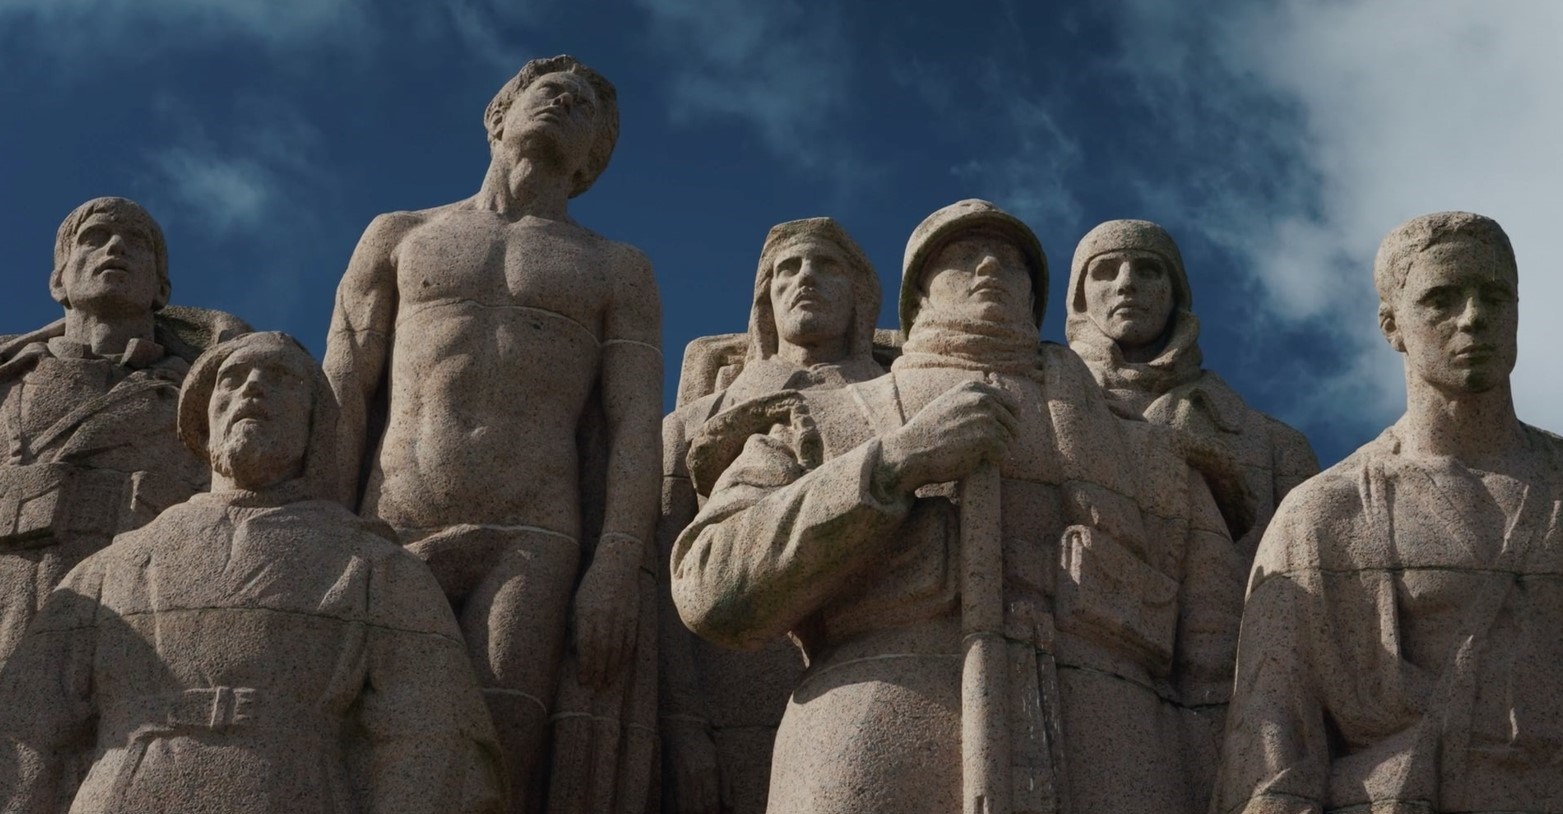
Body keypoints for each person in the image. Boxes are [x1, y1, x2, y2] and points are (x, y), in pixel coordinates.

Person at [672, 200, 1243, 814]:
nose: (990, 265)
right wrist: (892, 463)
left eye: (1015, 262)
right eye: (961, 255)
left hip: (1123, 765)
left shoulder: (1151, 454)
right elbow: (709, 582)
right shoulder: (829, 417)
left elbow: (1221, 675)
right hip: (869, 753)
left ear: (1035, 298)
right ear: (918, 297)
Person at [324, 55, 661, 811]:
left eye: (584, 111)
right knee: (359, 742)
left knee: (499, 762)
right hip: (391, 519)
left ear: (592, 161)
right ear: (497, 115)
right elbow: (343, 389)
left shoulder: (615, 268)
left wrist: (612, 569)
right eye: (551, 93)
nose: (564, 106)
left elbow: (635, 427)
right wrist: (319, 527)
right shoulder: (401, 234)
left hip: (532, 536)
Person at [0, 332, 503, 813]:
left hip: (291, 789)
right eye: (232, 378)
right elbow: (23, 734)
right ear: (203, 419)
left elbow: (437, 740)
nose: (253, 387)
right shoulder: (108, 570)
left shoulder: (378, 567)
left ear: (314, 424)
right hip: (122, 791)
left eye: (281, 377)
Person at [1214, 212, 1563, 813]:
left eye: (1495, 295)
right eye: (1441, 299)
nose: (1473, 317)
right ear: (1392, 325)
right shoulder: (1325, 513)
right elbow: (1271, 753)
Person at [658, 217, 883, 814]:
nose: (805, 278)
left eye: (826, 265)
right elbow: (654, 576)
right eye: (788, 268)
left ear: (860, 293)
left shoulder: (903, 401)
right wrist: (682, 719)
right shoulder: (686, 425)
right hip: (725, 679)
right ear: (766, 297)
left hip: (873, 675)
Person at [0, 196, 245, 670]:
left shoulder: (205, 398)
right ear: (58, 279)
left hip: (142, 627)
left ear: (161, 289)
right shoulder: (9, 377)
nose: (116, 248)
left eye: (137, 244)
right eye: (95, 238)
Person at [1066, 219, 1318, 561]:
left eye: (1148, 270)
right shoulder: (1040, 405)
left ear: (1175, 294)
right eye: (1105, 271)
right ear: (1080, 299)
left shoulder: (1277, 445)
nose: (1126, 284)